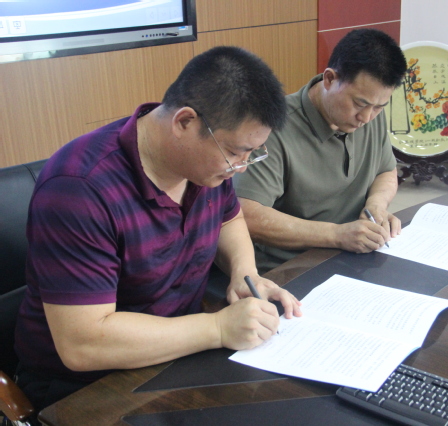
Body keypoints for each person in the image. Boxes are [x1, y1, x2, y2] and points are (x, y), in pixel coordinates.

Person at [13, 46, 302, 417]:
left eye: (252, 153)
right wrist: (216, 329)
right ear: (184, 122)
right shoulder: (79, 188)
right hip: (87, 389)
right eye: (236, 152)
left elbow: (229, 219)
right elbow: (82, 344)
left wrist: (245, 274)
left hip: (180, 355)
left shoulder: (207, 167)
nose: (242, 166)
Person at [233, 29, 408, 272]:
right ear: (329, 79)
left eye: (379, 107)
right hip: (287, 267)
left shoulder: (370, 114)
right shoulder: (273, 128)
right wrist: (336, 235)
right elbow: (247, 215)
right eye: (359, 103)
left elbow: (385, 171)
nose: (366, 117)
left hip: (352, 255)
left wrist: (376, 205)